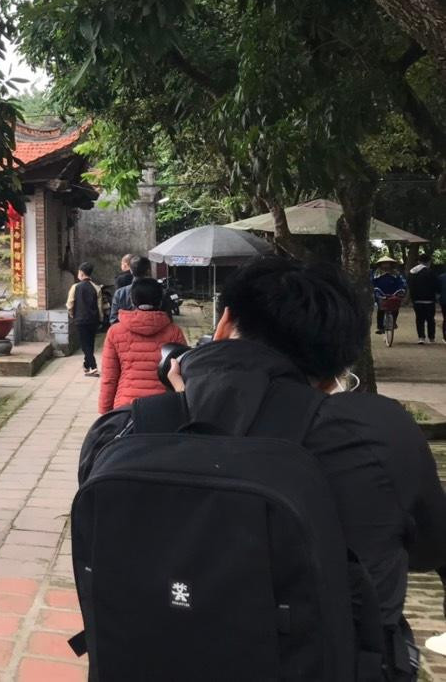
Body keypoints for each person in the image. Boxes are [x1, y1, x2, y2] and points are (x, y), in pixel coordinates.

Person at [80, 257, 446, 679]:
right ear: (334, 372)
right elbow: (429, 549)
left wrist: (180, 405)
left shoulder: (120, 431)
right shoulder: (376, 435)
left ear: (224, 324)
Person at [97, 278, 186, 415]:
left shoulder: (115, 332)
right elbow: (183, 372)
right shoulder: (174, 332)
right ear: (160, 300)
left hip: (126, 407)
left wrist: (105, 412)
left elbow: (109, 377)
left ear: (132, 301)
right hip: (164, 407)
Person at [67, 261, 101, 377]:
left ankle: (93, 367)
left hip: (80, 319)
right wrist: (100, 318)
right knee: (90, 343)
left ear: (81, 273)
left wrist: (72, 314)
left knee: (85, 344)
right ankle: (86, 365)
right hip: (93, 319)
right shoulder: (96, 287)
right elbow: (99, 306)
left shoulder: (75, 287)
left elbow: (70, 304)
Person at [109, 254, 157, 326]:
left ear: (131, 270)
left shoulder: (120, 293)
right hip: (153, 330)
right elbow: (166, 317)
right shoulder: (159, 291)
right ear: (149, 270)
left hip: (125, 330)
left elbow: (114, 320)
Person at [373, 256, 408, 334]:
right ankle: (380, 327)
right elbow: (372, 283)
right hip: (380, 293)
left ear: (391, 264)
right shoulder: (376, 273)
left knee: (395, 308)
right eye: (384, 263)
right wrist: (375, 289)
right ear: (380, 264)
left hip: (394, 294)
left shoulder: (396, 273)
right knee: (381, 309)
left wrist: (401, 289)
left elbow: (401, 282)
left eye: (387, 263)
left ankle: (393, 322)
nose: (386, 265)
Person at [408, 258, 438, 344]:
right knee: (430, 319)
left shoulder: (412, 272)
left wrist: (413, 298)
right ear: (429, 262)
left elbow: (410, 286)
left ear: (419, 262)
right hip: (429, 300)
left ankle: (421, 337)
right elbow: (436, 285)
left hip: (417, 300)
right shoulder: (431, 272)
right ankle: (431, 337)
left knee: (419, 319)